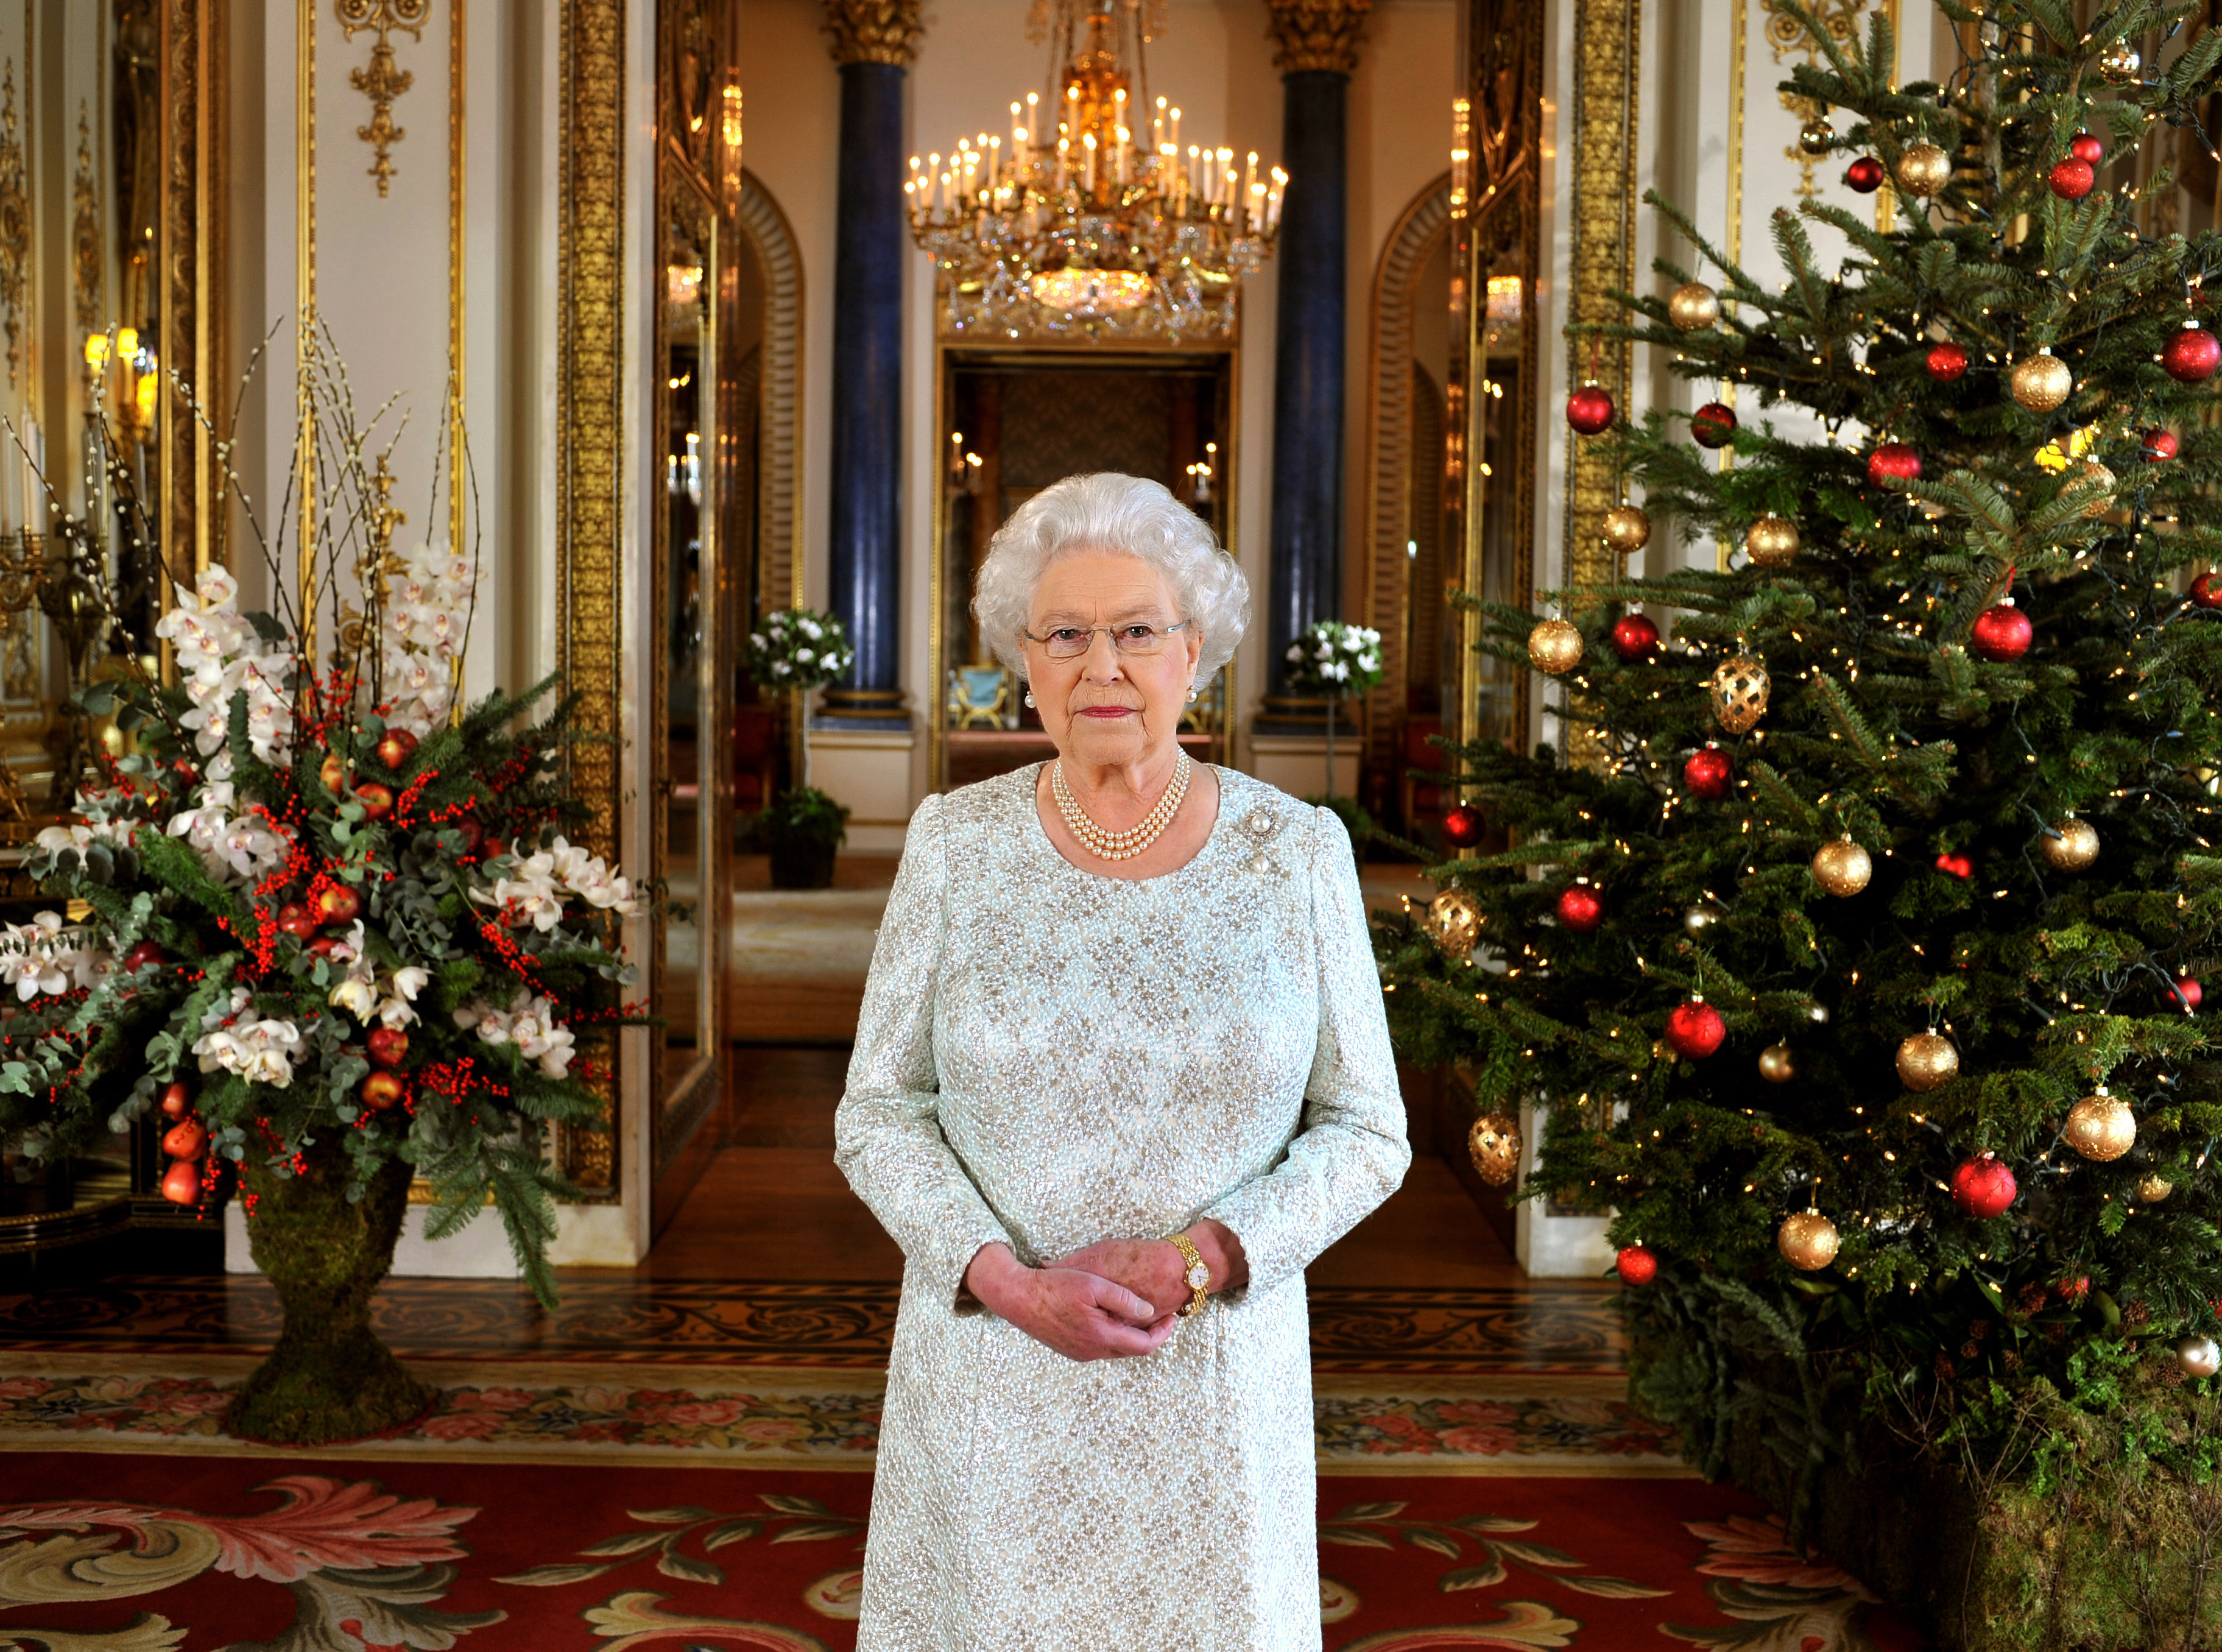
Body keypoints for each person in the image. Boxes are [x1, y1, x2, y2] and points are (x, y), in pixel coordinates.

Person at [834, 471, 1409, 1650]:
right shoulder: (954, 844)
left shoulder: (1296, 853)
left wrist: (1205, 1258)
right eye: (1067, 635)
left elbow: (1367, 1130)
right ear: (1026, 663)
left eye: (1138, 631)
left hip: (1213, 1385)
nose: (1105, 666)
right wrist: (1004, 1279)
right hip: (994, 1378)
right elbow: (878, 1114)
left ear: (1193, 652)